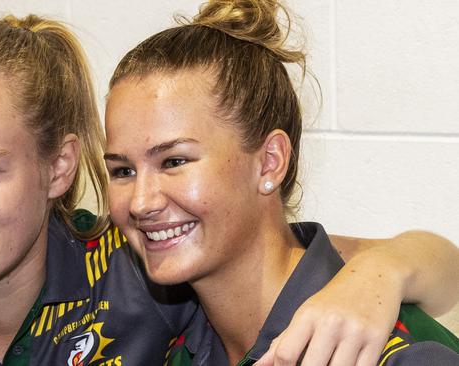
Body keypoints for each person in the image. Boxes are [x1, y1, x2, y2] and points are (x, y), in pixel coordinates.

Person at [0, 10, 459, 366]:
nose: (143, 201)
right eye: (121, 170)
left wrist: (384, 273)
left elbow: (429, 268)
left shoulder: (133, 280)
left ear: (59, 170)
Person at [104, 0, 459, 365]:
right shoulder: (175, 333)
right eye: (122, 171)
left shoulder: (389, 354)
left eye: (174, 161)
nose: (140, 202)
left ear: (270, 162)